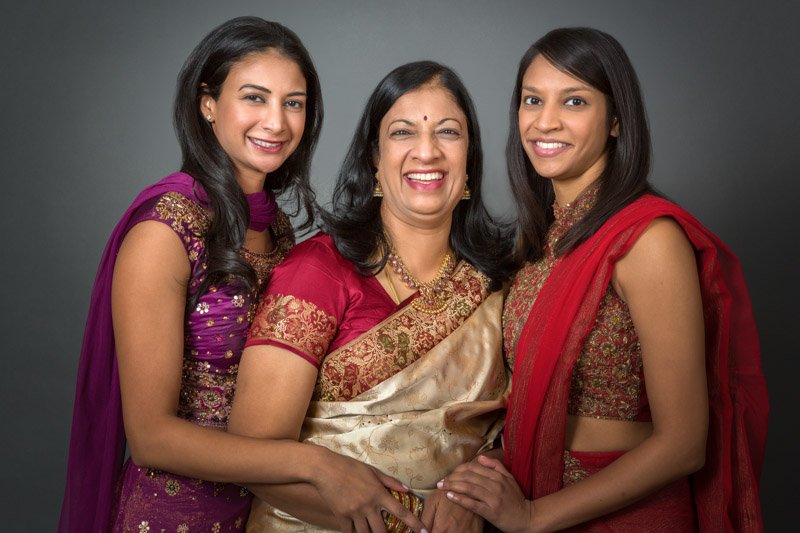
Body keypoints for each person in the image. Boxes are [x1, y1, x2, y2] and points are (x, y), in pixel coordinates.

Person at [59, 17, 424, 533]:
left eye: (293, 103)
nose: (276, 122)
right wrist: (318, 466)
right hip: (172, 515)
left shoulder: (276, 230)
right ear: (207, 104)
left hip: (268, 511)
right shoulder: (164, 231)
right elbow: (150, 437)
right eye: (255, 98)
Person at [438, 27, 768, 531]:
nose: (545, 121)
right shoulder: (537, 247)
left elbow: (684, 444)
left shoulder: (647, 240)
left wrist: (532, 516)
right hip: (536, 496)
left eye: (574, 101)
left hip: (624, 514)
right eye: (532, 100)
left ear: (616, 120)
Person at [227, 60, 516, 532]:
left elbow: (517, 434)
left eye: (448, 132)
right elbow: (251, 454)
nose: (427, 151)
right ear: (374, 162)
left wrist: (477, 486)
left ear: (470, 163)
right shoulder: (317, 273)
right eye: (403, 133)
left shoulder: (498, 283)